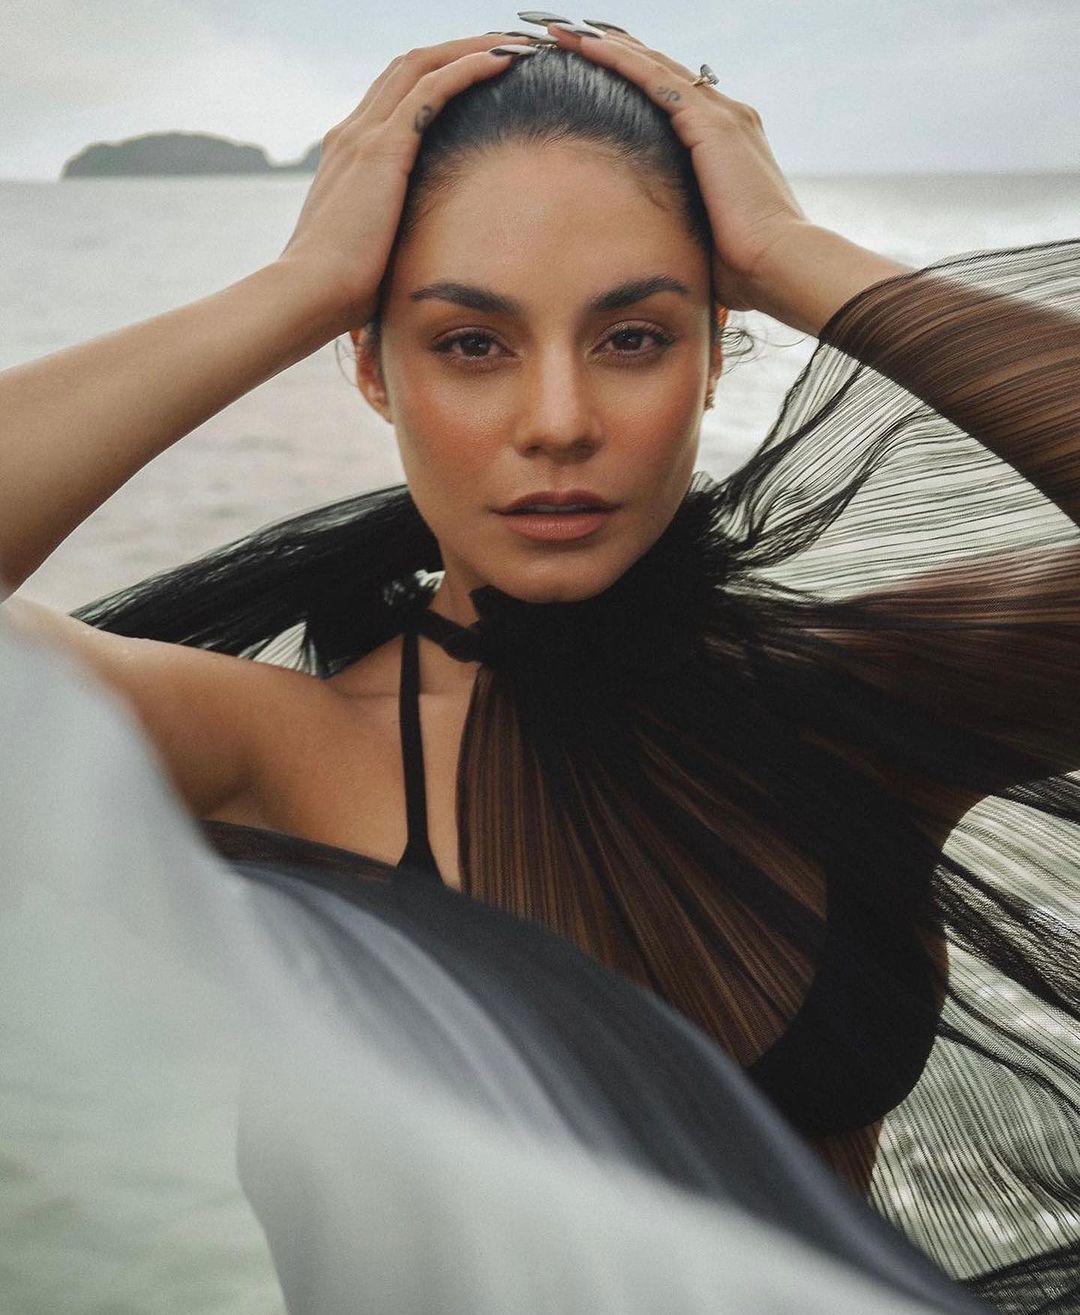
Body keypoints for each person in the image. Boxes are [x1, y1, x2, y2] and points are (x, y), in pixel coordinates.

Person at [1, 19, 1077, 1313]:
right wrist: (290, 289)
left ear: (717, 349)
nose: (558, 420)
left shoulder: (864, 703)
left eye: (634, 337)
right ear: (369, 365)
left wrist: (794, 256)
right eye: (469, 343)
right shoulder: (279, 753)